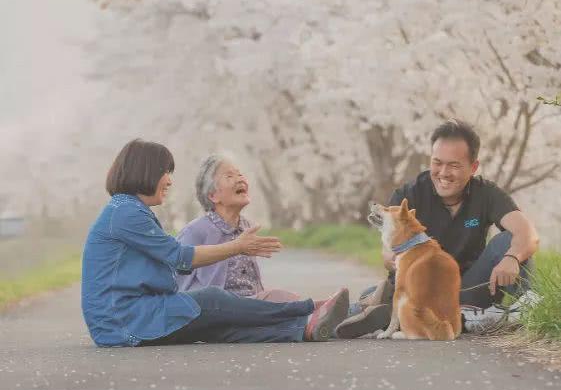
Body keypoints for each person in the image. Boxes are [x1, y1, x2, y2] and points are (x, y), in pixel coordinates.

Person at [81, 139, 349, 347]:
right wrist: (237, 247)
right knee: (212, 300)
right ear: (146, 171)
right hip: (123, 320)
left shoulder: (128, 210)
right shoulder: (125, 212)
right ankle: (311, 308)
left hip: (125, 319)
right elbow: (179, 257)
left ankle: (306, 328)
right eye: (166, 172)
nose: (170, 181)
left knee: (216, 326)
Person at [336, 119, 540, 338]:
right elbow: (388, 252)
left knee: (510, 241)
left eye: (454, 165)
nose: (443, 172)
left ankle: (527, 315)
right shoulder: (409, 194)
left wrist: (512, 257)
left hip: (467, 288)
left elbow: (528, 233)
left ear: (473, 167)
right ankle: (389, 310)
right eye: (437, 162)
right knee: (383, 294)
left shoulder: (486, 194)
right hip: (419, 289)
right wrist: (395, 259)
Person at [175, 153, 305, 303]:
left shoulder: (246, 227)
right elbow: (179, 286)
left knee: (289, 301)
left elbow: (250, 283)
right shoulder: (195, 231)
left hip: (249, 305)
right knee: (283, 300)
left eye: (240, 174)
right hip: (218, 310)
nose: (240, 179)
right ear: (213, 196)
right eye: (229, 176)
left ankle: (321, 311)